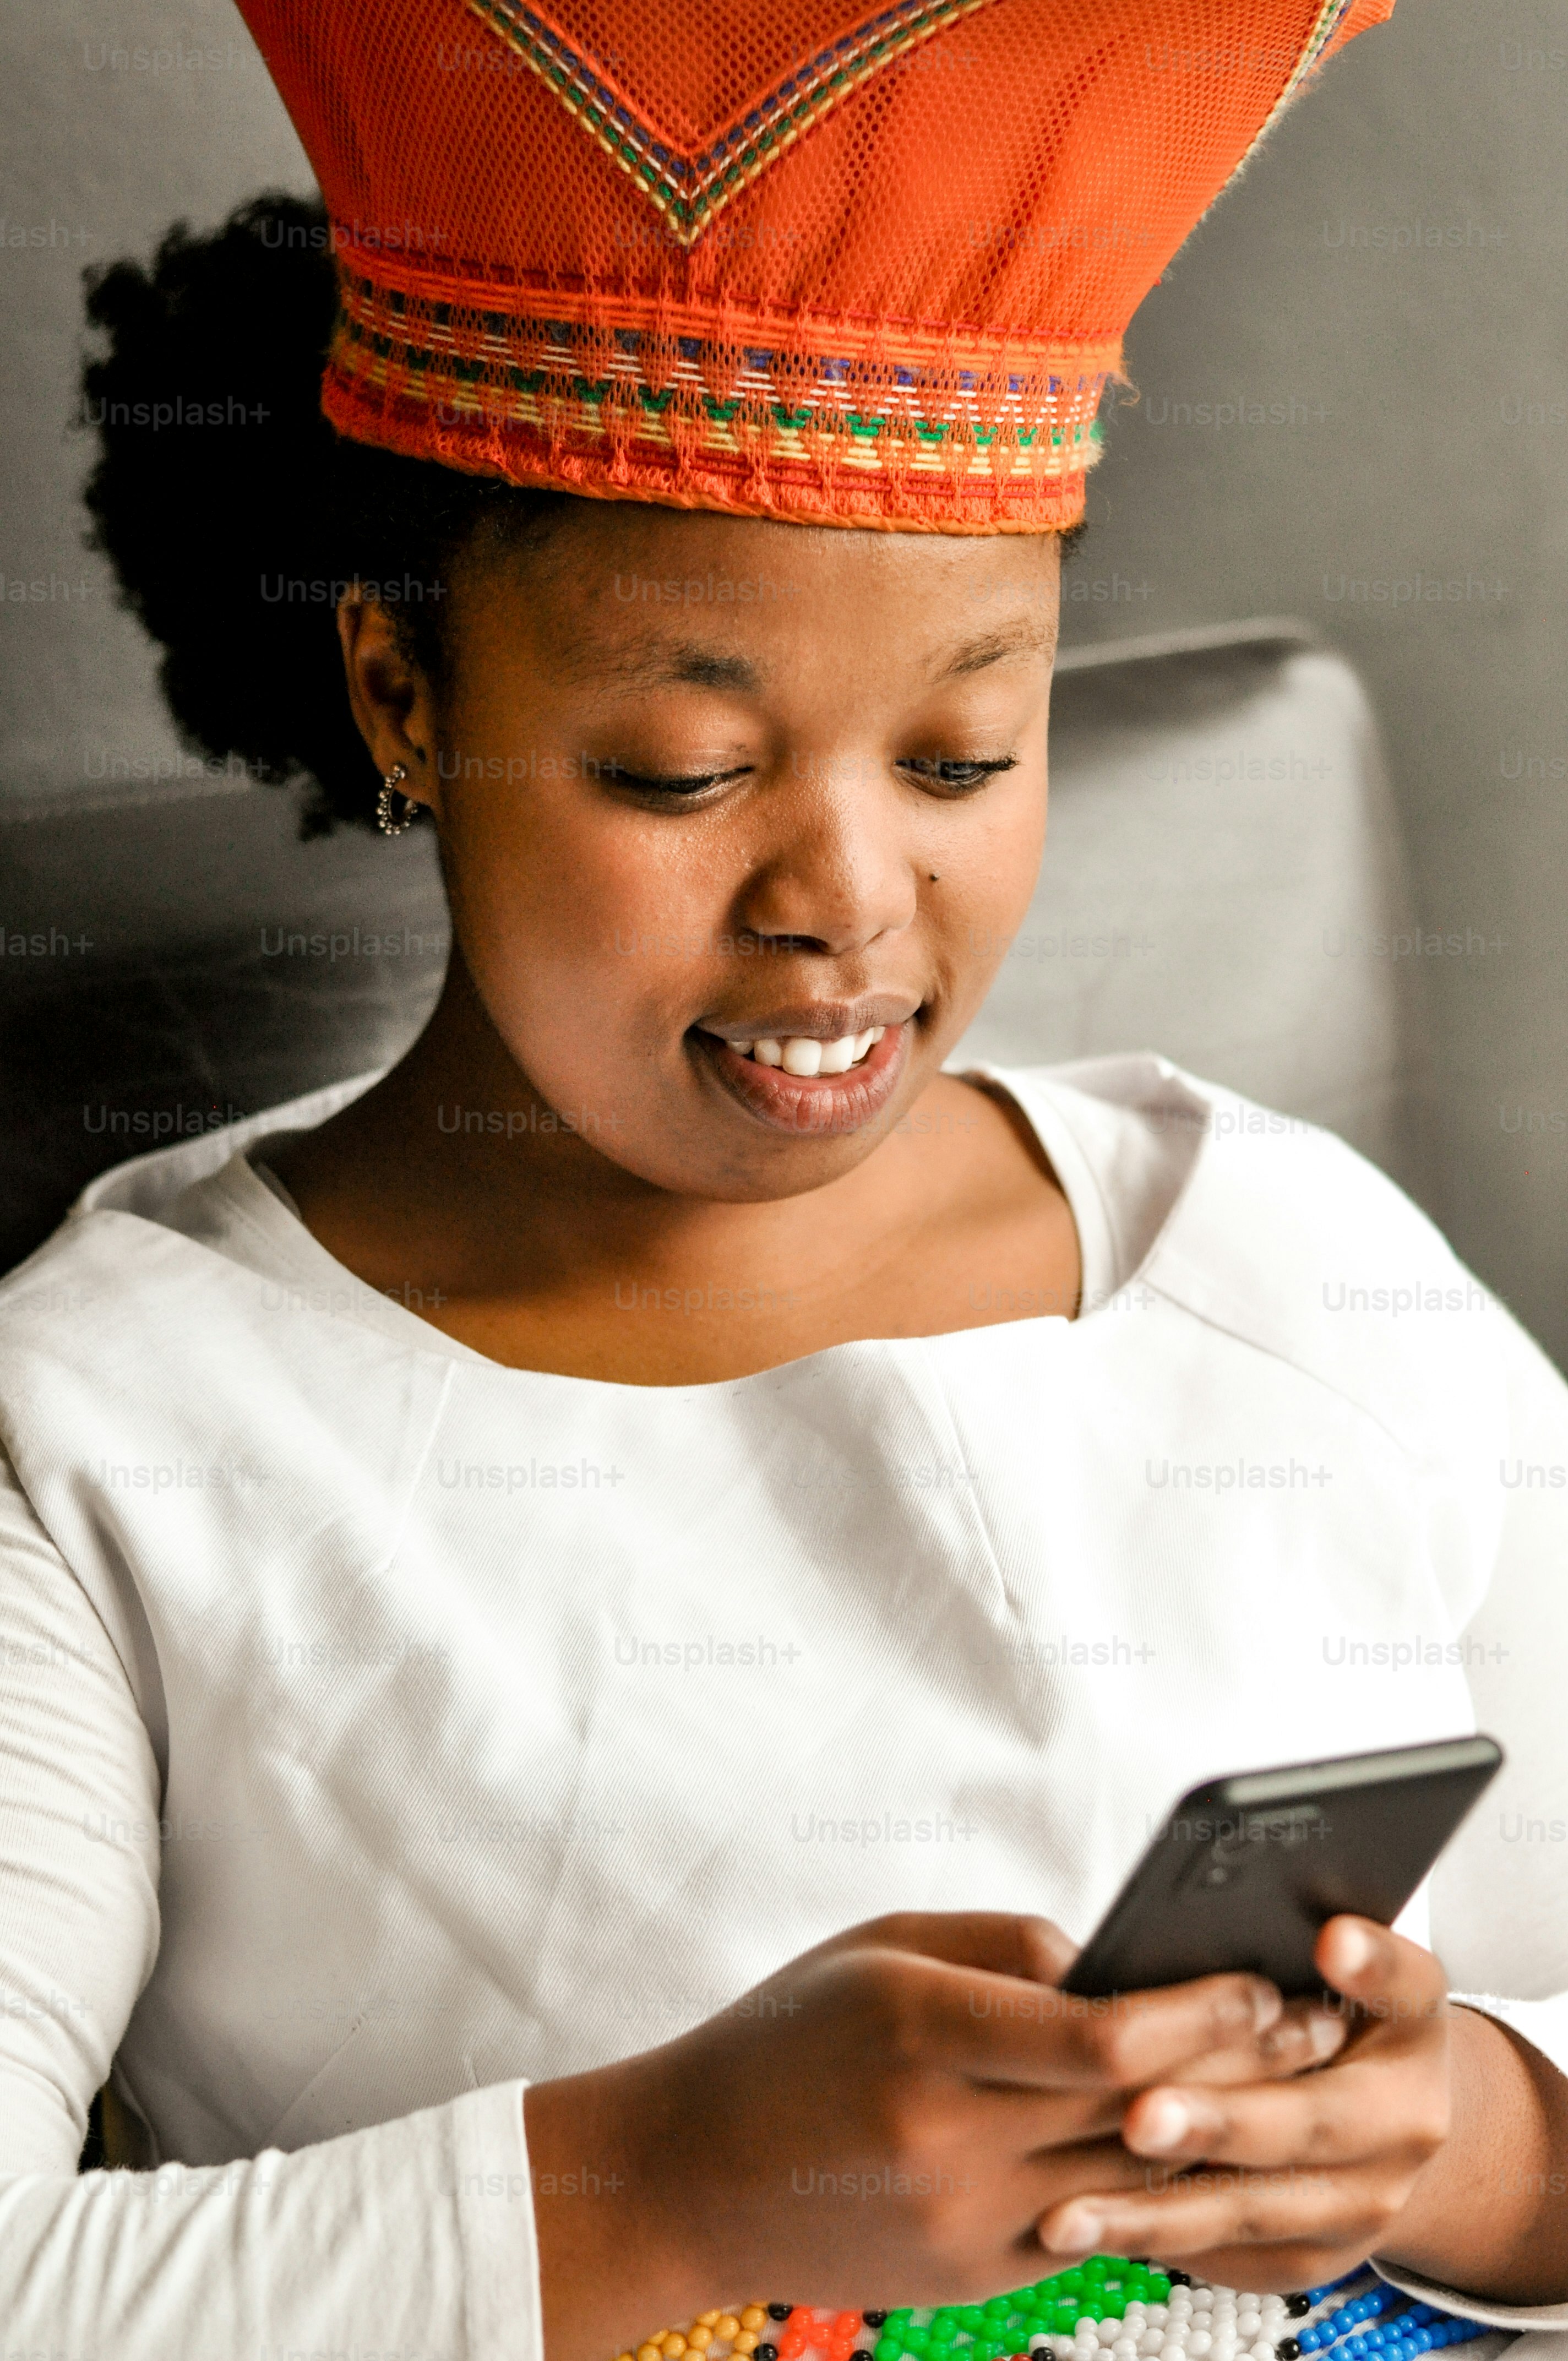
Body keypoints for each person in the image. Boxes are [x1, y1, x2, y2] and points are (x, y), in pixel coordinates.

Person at [4, 4, 1568, 2358]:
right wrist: (660, 2184)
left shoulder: (1288, 1264)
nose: (846, 897)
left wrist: (1463, 2139)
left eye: (961, 750)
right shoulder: (109, 1432)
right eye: (677, 771)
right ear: (406, 696)